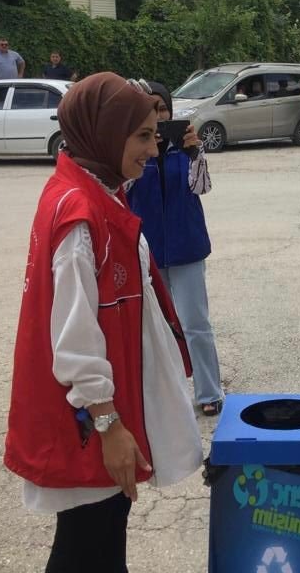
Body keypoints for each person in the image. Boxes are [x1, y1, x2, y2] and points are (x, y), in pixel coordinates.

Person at [4, 72, 202, 571]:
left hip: (99, 412)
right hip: (89, 421)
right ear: (104, 133)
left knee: (100, 537)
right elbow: (73, 337)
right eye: (141, 137)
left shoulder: (93, 191)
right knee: (87, 544)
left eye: (154, 135)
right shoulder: (79, 213)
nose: (153, 151)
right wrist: (109, 425)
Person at [125, 80, 223, 417]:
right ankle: (166, 394)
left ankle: (209, 391)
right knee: (156, 326)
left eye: (163, 109)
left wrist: (194, 152)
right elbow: (121, 192)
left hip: (187, 246)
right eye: (150, 111)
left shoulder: (186, 148)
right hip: (147, 251)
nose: (158, 116)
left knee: (195, 322)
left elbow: (202, 187)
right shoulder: (132, 150)